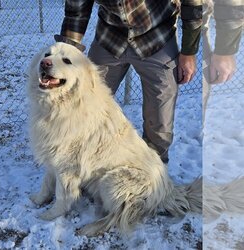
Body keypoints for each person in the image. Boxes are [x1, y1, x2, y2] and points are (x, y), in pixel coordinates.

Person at [55, 0, 203, 163]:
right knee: (83, 105)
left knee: (160, 122)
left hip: (157, 37)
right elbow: (76, 12)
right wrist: (63, 59)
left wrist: (189, 52)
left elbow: (192, 5)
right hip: (110, 38)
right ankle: (84, 167)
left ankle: (154, 176)